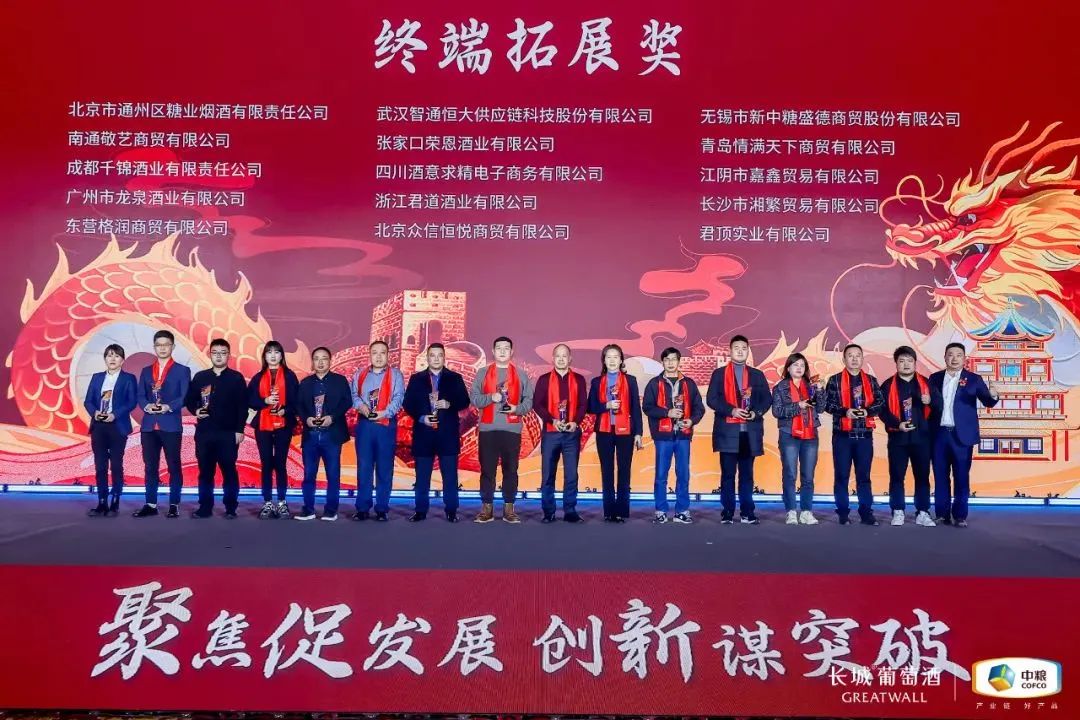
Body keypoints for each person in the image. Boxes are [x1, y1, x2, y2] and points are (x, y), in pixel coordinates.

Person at [930, 342, 1000, 527]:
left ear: (964, 359)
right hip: (939, 435)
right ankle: (942, 514)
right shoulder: (934, 378)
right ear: (945, 357)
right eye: (950, 355)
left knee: (961, 477)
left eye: (958, 355)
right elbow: (929, 404)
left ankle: (960, 515)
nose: (954, 358)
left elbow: (987, 402)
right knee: (940, 477)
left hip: (962, 436)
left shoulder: (974, 379)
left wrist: (993, 395)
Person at [706, 335, 772, 525]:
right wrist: (732, 410)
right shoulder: (719, 374)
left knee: (747, 475)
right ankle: (727, 512)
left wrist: (755, 413)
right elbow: (712, 399)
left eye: (744, 348)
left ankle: (747, 512)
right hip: (728, 432)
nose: (740, 351)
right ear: (730, 350)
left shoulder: (757, 375)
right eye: (737, 348)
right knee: (727, 475)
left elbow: (766, 399)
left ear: (748, 351)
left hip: (749, 433)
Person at [402, 343, 471, 522]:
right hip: (423, 434)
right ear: (427, 358)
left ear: (444, 357)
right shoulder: (416, 379)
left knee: (450, 476)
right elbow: (408, 403)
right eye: (432, 355)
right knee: (422, 477)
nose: (436, 359)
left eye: (439, 355)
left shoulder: (455, 378)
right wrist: (421, 418)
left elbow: (464, 401)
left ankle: (451, 511)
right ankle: (420, 510)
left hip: (447, 434)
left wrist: (450, 404)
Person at [470, 336, 534, 523]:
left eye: (506, 348)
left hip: (512, 430)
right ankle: (487, 509)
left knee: (511, 470)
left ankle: (509, 509)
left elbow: (528, 401)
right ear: (493, 351)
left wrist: (516, 409)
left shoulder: (521, 374)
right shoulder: (482, 373)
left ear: (512, 352)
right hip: (488, 430)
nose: (503, 351)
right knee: (487, 470)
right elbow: (474, 398)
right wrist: (491, 397)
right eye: (499, 348)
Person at [879, 346, 942, 527]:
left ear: (915, 363)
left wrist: (930, 401)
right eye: (902, 361)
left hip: (922, 438)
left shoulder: (926, 384)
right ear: (896, 363)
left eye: (909, 360)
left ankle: (923, 512)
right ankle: (898, 510)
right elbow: (882, 411)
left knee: (922, 477)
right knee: (896, 476)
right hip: (898, 439)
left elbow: (939, 406)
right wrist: (896, 424)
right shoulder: (888, 385)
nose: (906, 364)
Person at [184, 338, 248, 519]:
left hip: (228, 434)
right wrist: (196, 410)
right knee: (205, 472)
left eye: (223, 353)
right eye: (215, 353)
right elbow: (189, 400)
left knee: (229, 470)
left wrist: (240, 430)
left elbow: (242, 406)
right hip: (205, 433)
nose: (219, 356)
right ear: (210, 354)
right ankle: (205, 507)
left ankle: (230, 507)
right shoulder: (200, 377)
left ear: (229, 355)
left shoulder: (236, 378)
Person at [823, 343, 885, 526]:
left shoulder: (871, 381)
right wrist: (845, 412)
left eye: (858, 355)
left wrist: (867, 411)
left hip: (864, 436)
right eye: (850, 355)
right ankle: (843, 513)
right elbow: (827, 404)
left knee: (864, 477)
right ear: (844, 359)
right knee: (841, 476)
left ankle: (866, 513)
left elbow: (880, 403)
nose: (855, 359)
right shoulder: (834, 380)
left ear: (862, 358)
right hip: (842, 436)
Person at [642, 347, 705, 524]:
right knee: (661, 475)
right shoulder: (654, 383)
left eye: (673, 359)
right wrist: (667, 413)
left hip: (683, 435)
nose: (670, 363)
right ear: (662, 362)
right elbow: (647, 407)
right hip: (663, 436)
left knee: (683, 474)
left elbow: (699, 408)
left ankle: (682, 511)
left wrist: (691, 421)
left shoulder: (689, 383)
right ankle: (660, 511)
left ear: (679, 361)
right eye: (667, 359)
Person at [133, 330, 191, 518]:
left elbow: (185, 397)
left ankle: (174, 504)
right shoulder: (146, 371)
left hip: (171, 425)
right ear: (154, 347)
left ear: (173, 347)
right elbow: (140, 395)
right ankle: (151, 504)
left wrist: (168, 406)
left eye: (166, 344)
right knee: (150, 466)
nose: (162, 348)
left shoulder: (182, 370)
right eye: (159, 345)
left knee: (174, 465)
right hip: (149, 426)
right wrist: (146, 406)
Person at [587, 344, 643, 523]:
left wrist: (638, 433)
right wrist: (607, 405)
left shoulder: (631, 381)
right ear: (604, 361)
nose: (612, 360)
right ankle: (609, 511)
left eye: (615, 357)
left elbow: (636, 408)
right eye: (608, 357)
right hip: (604, 431)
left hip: (626, 431)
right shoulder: (597, 382)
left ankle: (621, 511)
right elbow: (590, 407)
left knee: (624, 471)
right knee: (607, 471)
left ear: (621, 360)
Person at [532, 343, 587, 523]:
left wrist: (575, 422)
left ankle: (570, 510)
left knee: (571, 475)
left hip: (571, 433)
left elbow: (583, 404)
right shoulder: (544, 379)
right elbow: (537, 404)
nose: (561, 359)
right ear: (553, 358)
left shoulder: (579, 379)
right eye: (558, 356)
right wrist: (552, 420)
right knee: (548, 475)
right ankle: (548, 512)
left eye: (565, 356)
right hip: (551, 433)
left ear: (570, 358)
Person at [350, 341, 405, 522]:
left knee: (384, 468)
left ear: (388, 355)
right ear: (370, 355)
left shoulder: (396, 375)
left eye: (383, 353)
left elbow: (398, 398)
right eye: (375, 352)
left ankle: (382, 508)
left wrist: (384, 413)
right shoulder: (360, 374)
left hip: (386, 425)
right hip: (365, 425)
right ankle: (362, 508)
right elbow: (354, 395)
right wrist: (362, 407)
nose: (379, 356)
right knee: (364, 467)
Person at [295, 346, 351, 521]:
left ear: (330, 361)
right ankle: (308, 510)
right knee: (308, 475)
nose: (320, 362)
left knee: (333, 475)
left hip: (332, 435)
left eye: (324, 358)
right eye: (317, 358)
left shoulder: (340, 381)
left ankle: (331, 510)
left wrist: (332, 417)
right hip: (311, 435)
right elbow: (298, 405)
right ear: (312, 362)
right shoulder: (305, 383)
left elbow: (347, 402)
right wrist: (306, 419)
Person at [247, 340, 300, 519]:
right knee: (266, 464)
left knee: (280, 463)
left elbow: (297, 401)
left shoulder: (290, 376)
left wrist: (286, 409)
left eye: (276, 352)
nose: (273, 355)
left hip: (284, 425)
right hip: (263, 425)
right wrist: (265, 401)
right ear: (264, 356)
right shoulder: (258, 377)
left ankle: (282, 502)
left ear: (281, 355)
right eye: (269, 352)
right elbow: (249, 400)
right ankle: (268, 502)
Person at [83, 344, 137, 516]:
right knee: (100, 466)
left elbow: (131, 402)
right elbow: (88, 401)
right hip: (99, 426)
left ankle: (115, 500)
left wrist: (115, 414)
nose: (112, 359)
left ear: (122, 360)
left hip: (118, 426)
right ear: (105, 358)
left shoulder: (128, 378)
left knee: (116, 464)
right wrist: (95, 412)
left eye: (116, 356)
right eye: (109, 355)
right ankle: (102, 502)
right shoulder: (97, 377)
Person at [770, 352, 823, 525]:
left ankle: (806, 511)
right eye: (795, 365)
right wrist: (797, 406)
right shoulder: (780, 387)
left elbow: (821, 408)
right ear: (788, 368)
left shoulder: (811, 385)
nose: (799, 368)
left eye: (802, 365)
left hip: (810, 434)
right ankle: (791, 511)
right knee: (790, 473)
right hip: (789, 434)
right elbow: (777, 411)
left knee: (808, 475)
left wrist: (820, 391)